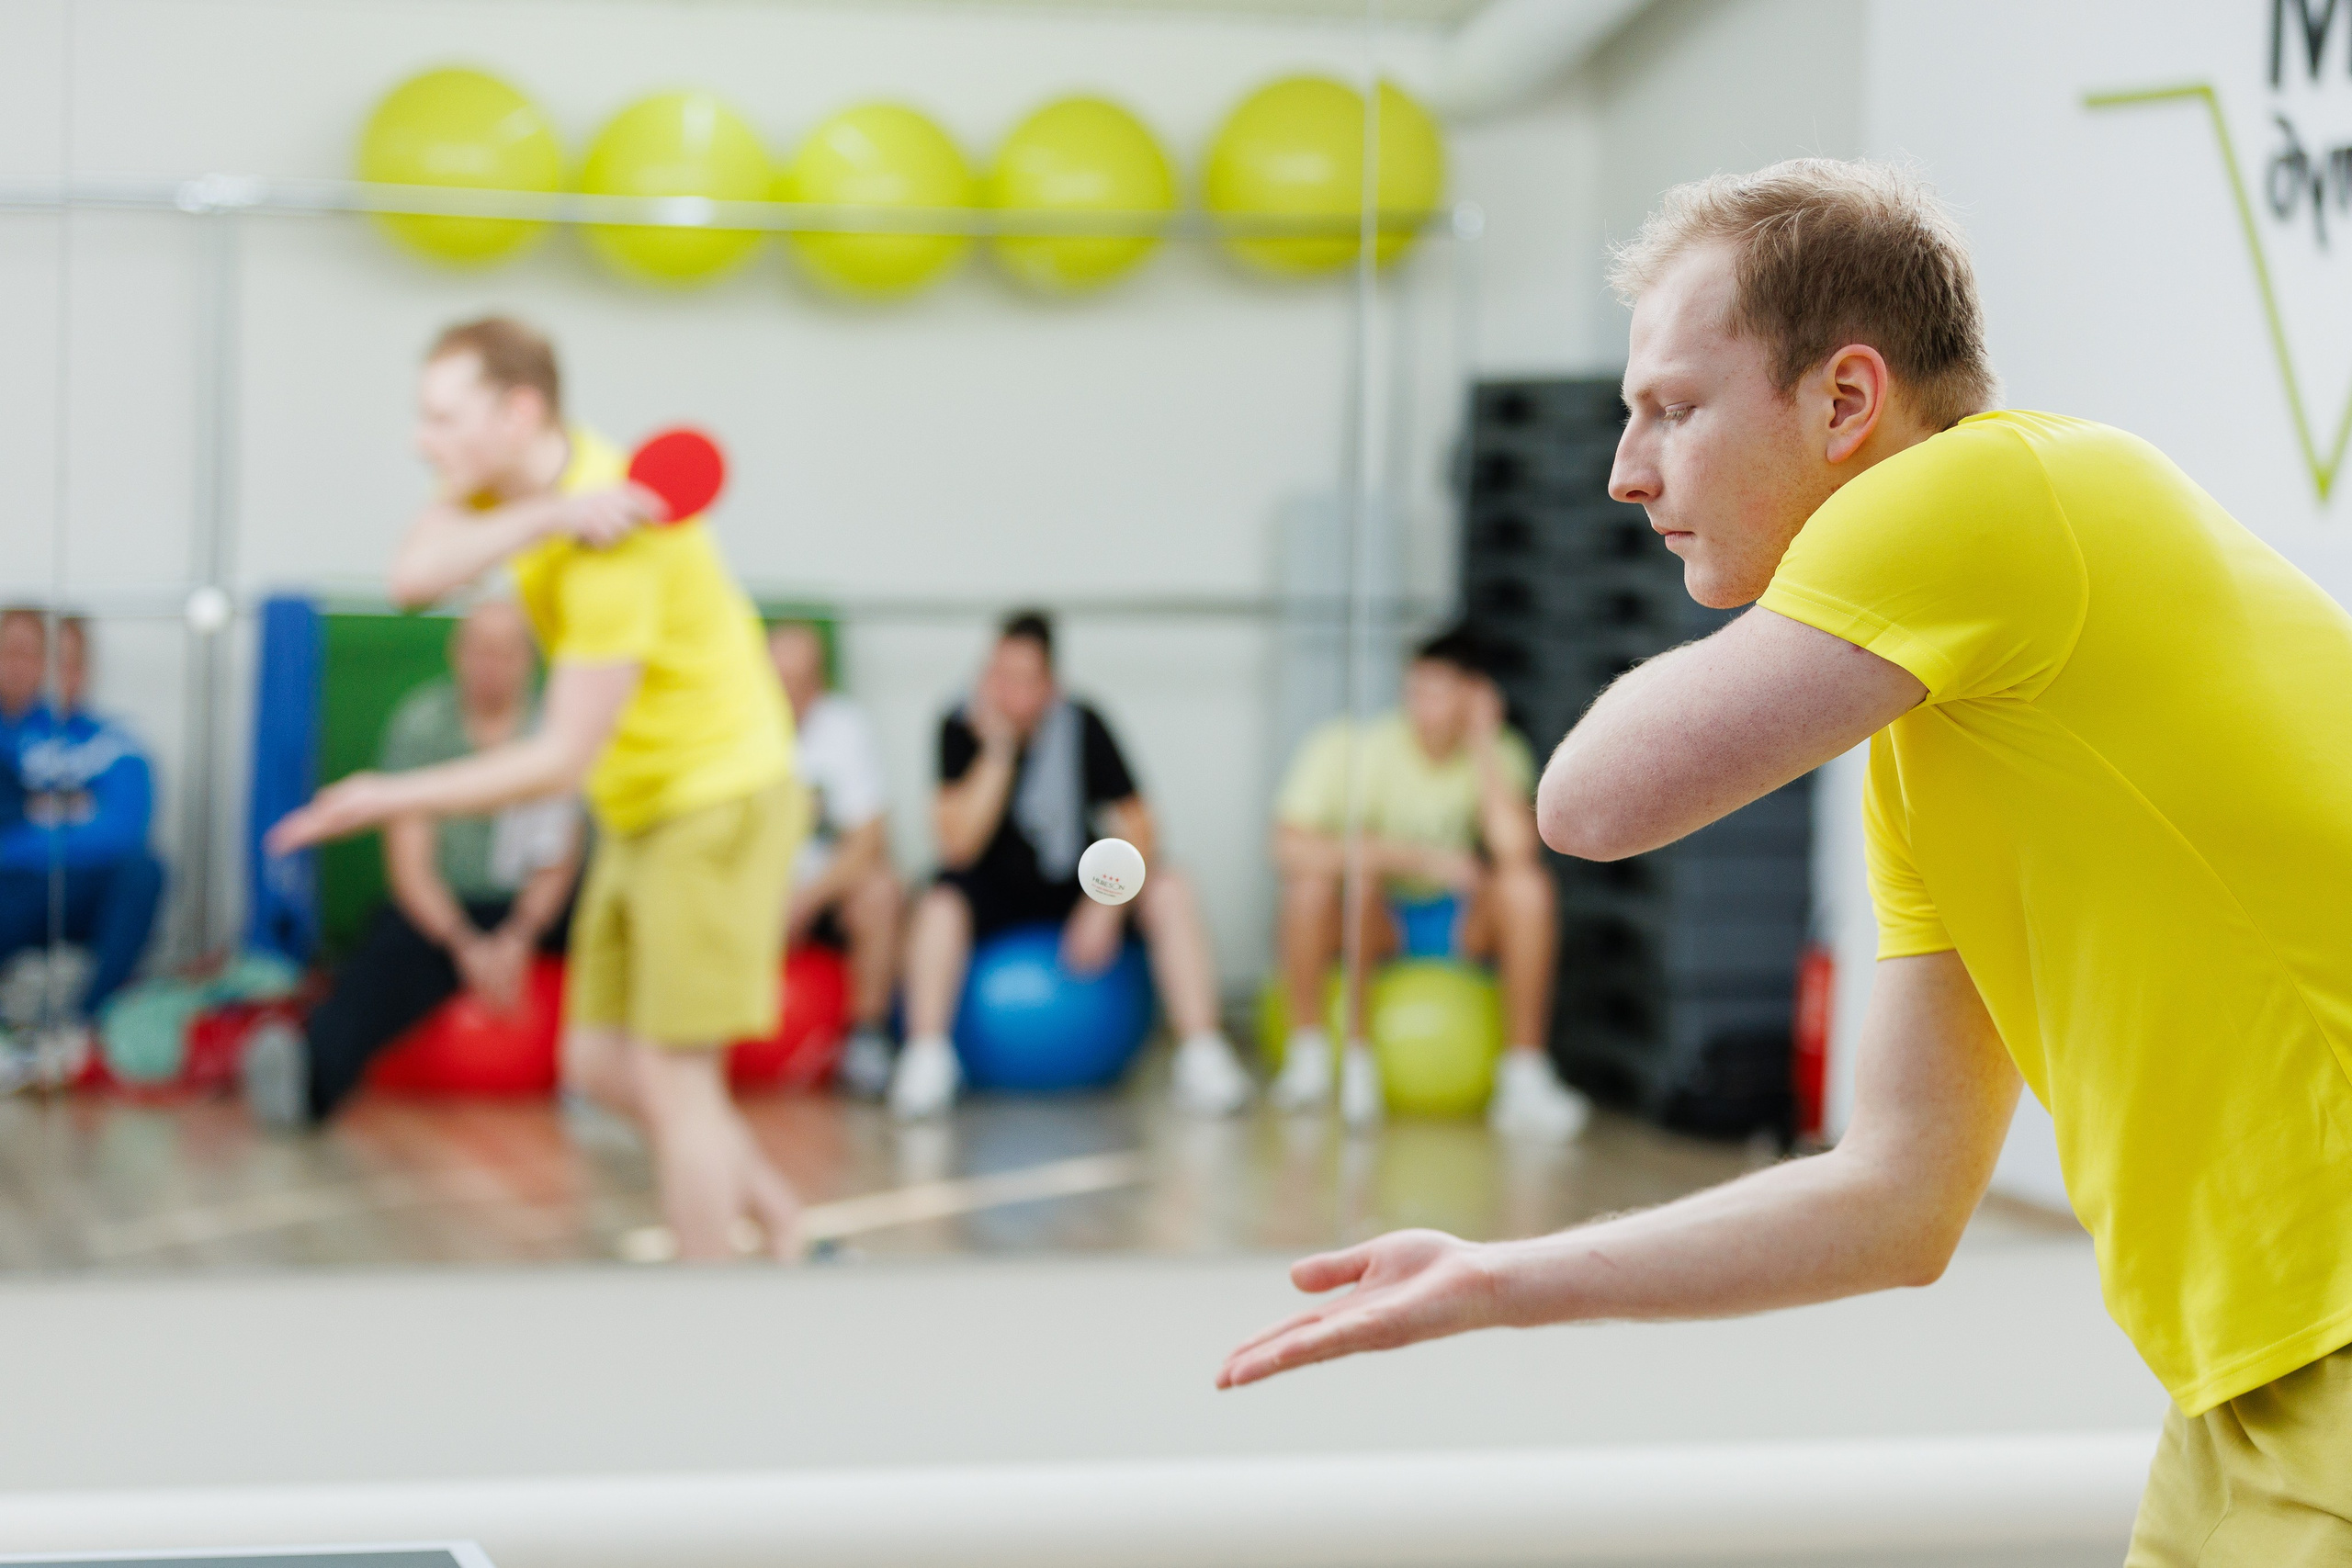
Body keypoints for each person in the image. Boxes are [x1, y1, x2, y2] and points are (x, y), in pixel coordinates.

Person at [1219, 157, 2352, 1561]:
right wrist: (1496, 1277)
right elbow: (1895, 1198)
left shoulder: (1993, 493)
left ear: (1847, 401)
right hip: (2251, 1378)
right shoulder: (1940, 745)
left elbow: (1590, 797)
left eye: (1674, 410)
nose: (1627, 473)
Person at [266, 317, 806, 1262]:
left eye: (442, 417)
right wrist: (548, 516)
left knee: (679, 1079)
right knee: (599, 1065)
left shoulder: (617, 548)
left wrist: (394, 796)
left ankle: (715, 1322)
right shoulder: (528, 492)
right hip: (642, 802)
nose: (418, 439)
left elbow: (557, 760)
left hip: (717, 795)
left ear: (518, 413)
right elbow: (410, 576)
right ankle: (791, 1229)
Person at [890, 610, 1251, 1121]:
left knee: (1171, 887)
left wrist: (1107, 901)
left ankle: (1203, 1055)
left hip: (1076, 881)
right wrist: (998, 753)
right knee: (938, 902)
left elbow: (1142, 827)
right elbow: (957, 847)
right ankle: (927, 1058)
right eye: (996, 676)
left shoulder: (1083, 723)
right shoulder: (959, 725)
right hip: (992, 888)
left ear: (1050, 687)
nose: (1003, 691)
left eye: (1019, 680)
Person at [243, 601, 580, 1126]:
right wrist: (465, 944)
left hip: (536, 905)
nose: (491, 665)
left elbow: (557, 857)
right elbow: (411, 867)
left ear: (529, 660)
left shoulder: (554, 733)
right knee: (385, 956)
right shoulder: (422, 725)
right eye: (480, 650)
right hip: (447, 908)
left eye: (506, 651)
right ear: (458, 654)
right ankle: (308, 1080)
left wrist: (519, 936)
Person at [1269, 625, 1589, 1137]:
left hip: (1456, 924)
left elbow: (1515, 849)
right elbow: (1287, 848)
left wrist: (1482, 741)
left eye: (1438, 691)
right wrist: (1420, 859)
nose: (1421, 704)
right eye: (1414, 688)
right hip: (1377, 920)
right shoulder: (1353, 746)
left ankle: (1523, 1077)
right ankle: (1317, 1059)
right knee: (1323, 885)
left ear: (1472, 695)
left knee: (1528, 889)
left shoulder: (1501, 752)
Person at [0, 609, 165, 1075]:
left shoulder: (117, 742)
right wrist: (73, 815)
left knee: (144, 871)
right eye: (39, 658)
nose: (53, 673)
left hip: (82, 892)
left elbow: (126, 831)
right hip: (11, 891)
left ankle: (82, 1029)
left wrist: (29, 818)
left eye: (67, 660)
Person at [766, 621, 901, 1098]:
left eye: (800, 681)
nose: (788, 693)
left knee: (881, 890)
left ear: (819, 683)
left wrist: (804, 899)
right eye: (777, 679)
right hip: (754, 896)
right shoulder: (733, 733)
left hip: (823, 894)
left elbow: (868, 839)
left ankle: (867, 1038)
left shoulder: (845, 727)